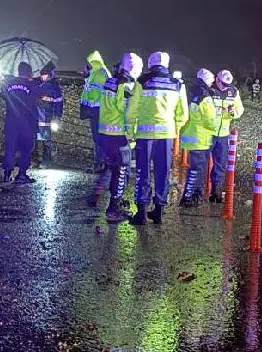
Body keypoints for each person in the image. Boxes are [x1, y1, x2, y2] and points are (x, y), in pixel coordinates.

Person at [127, 51, 187, 225]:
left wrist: (130, 132)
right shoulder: (177, 84)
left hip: (145, 136)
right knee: (163, 173)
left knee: (142, 172)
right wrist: (175, 129)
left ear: (150, 64)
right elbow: (183, 113)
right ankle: (158, 211)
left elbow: (132, 110)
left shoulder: (142, 82)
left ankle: (141, 213)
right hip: (167, 135)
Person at [89, 52, 142, 221]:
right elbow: (127, 112)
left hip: (105, 132)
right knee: (121, 170)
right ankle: (113, 209)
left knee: (111, 167)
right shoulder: (126, 86)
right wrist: (131, 135)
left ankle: (102, 196)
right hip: (118, 134)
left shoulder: (111, 80)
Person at [178, 69, 219, 207]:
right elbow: (210, 119)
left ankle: (193, 196)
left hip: (192, 136)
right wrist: (216, 129)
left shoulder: (194, 93)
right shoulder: (205, 97)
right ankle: (187, 198)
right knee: (196, 170)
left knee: (195, 169)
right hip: (200, 138)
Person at [209, 69, 245, 203]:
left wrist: (232, 112)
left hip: (223, 133)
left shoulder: (233, 91)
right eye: (222, 84)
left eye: (227, 84)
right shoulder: (209, 89)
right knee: (200, 165)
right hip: (208, 132)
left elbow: (239, 110)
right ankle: (195, 193)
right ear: (217, 79)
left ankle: (216, 191)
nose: (225, 87)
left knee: (220, 164)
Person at [0, 62, 37, 183]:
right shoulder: (31, 85)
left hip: (11, 120)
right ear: (29, 73)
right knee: (26, 148)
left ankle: (7, 173)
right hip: (26, 122)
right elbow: (33, 101)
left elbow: (3, 95)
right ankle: (21, 174)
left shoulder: (9, 83)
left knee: (10, 147)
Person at [79, 51, 111, 173]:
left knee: (98, 138)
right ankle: (100, 163)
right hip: (96, 110)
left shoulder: (99, 74)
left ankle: (100, 164)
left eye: (89, 63)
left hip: (97, 110)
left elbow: (93, 93)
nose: (87, 66)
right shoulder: (98, 72)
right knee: (98, 138)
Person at [33, 61, 64, 167]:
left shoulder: (54, 87)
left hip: (47, 117)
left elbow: (59, 102)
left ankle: (47, 161)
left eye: (44, 74)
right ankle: (35, 159)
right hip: (36, 116)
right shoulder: (36, 84)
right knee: (35, 139)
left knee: (46, 140)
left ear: (50, 75)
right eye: (41, 74)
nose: (42, 76)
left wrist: (57, 116)